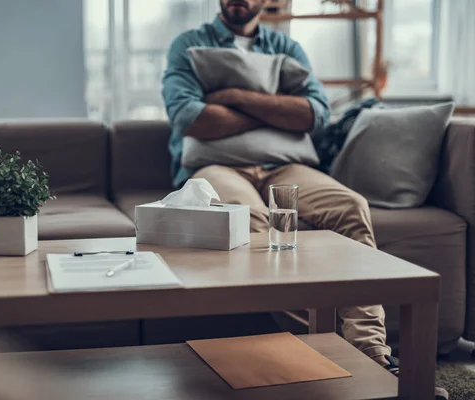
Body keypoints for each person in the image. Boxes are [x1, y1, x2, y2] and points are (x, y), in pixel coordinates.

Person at [161, 1, 447, 398]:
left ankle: (369, 353)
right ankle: (324, 349)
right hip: (218, 166)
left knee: (350, 206)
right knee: (248, 221)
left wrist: (231, 97)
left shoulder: (287, 48)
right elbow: (190, 118)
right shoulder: (188, 45)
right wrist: (275, 110)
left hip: (283, 165)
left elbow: (314, 115)